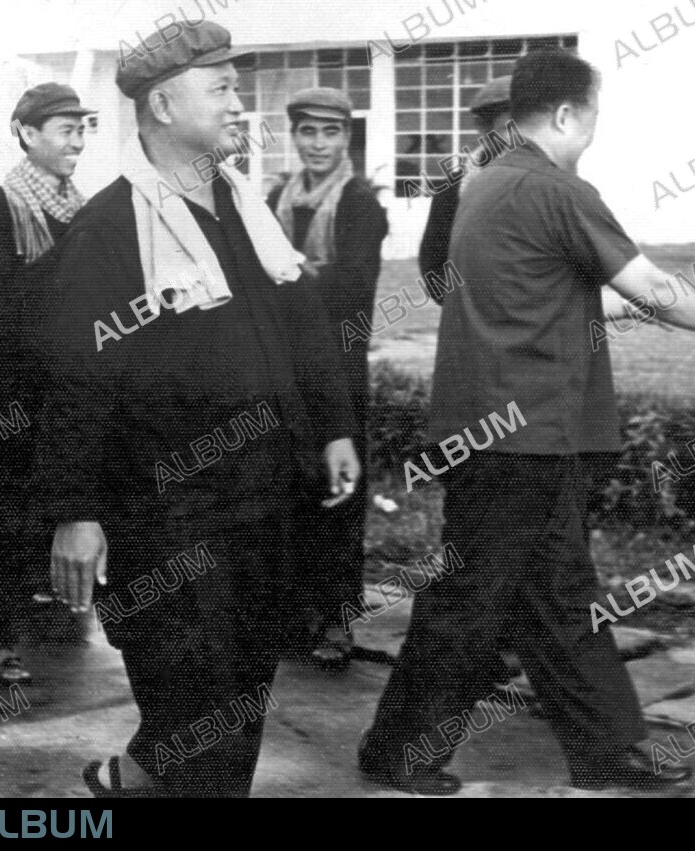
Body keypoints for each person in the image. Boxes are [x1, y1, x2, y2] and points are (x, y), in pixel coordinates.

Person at [359, 48, 695, 795]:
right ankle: (400, 749)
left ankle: (610, 750)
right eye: (594, 112)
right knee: (473, 603)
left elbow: (549, 293)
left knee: (555, 598)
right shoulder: (559, 188)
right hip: (525, 435)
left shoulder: (485, 185)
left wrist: (652, 312)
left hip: (498, 433)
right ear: (567, 114)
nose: (595, 127)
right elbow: (653, 284)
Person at [31, 22, 359, 798]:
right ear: (164, 106)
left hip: (263, 498)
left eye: (235, 87)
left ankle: (133, 778)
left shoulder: (245, 208)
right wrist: (76, 512)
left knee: (238, 697)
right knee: (196, 703)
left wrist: (338, 424)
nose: (240, 104)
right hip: (169, 517)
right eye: (223, 89)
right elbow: (76, 380)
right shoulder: (109, 229)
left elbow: (304, 322)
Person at [0, 83, 96, 687]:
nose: (78, 140)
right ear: (27, 133)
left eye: (81, 128)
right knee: (6, 514)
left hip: (73, 387)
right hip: (21, 392)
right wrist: (78, 262)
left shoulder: (82, 207)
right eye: (66, 129)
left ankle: (50, 604)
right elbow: (2, 311)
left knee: (63, 502)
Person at [268, 87, 388, 670]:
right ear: (293, 136)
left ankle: (337, 617)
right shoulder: (275, 196)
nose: (318, 144)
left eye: (331, 133)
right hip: (283, 368)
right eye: (308, 132)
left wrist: (289, 276)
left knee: (340, 488)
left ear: (347, 138)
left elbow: (352, 292)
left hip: (338, 366)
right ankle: (293, 614)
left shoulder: (361, 203)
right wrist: (304, 276)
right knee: (290, 485)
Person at [417, 75, 510, 294]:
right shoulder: (452, 190)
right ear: (484, 130)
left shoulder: (553, 184)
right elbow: (434, 271)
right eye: (509, 129)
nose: (521, 139)